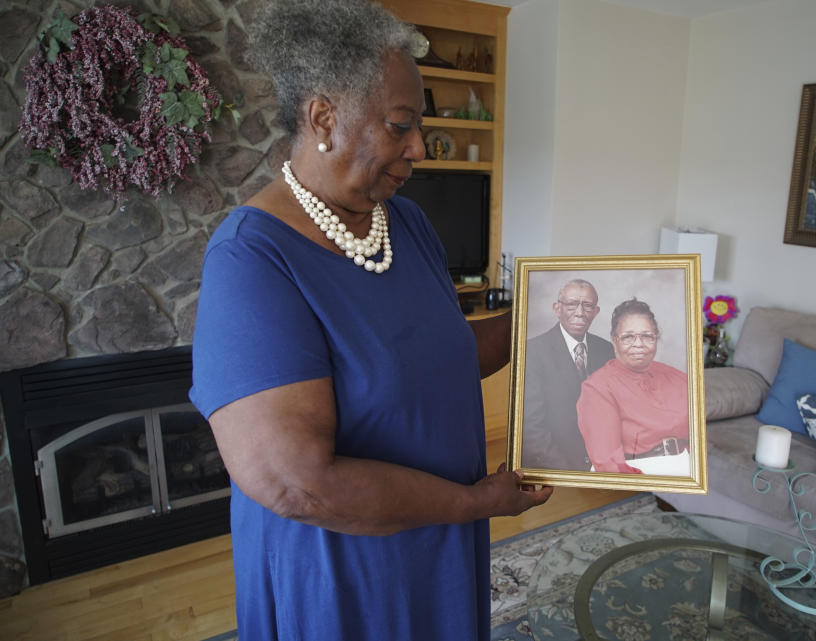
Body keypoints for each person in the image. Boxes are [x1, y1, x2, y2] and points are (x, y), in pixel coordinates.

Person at [188, 2, 552, 640]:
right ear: (323, 117)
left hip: (437, 541)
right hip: (345, 569)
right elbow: (299, 485)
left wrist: (546, 319)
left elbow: (437, 355)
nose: (419, 146)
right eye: (399, 124)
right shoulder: (251, 258)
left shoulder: (405, 222)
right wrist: (472, 504)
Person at [577, 298, 689, 474]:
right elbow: (608, 463)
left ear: (656, 338)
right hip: (638, 470)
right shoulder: (597, 388)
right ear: (614, 341)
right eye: (628, 337)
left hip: (685, 463)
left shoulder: (677, 377)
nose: (638, 344)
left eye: (646, 336)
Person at [521, 279, 615, 470]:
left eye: (587, 305)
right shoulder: (532, 351)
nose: (580, 312)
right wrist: (571, 474)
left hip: (599, 463)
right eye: (572, 304)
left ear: (596, 312)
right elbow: (532, 430)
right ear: (557, 308)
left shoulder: (606, 350)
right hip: (554, 465)